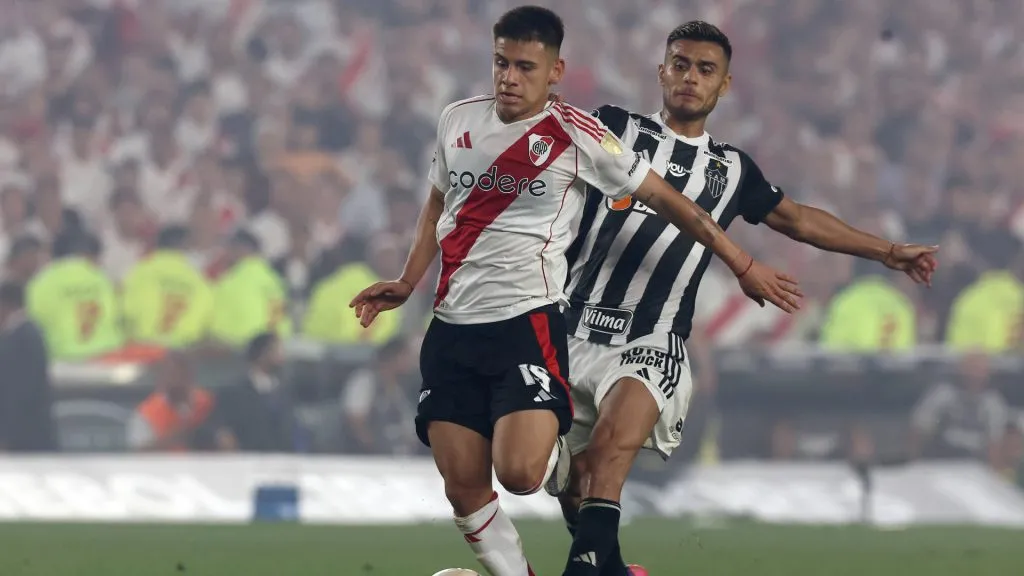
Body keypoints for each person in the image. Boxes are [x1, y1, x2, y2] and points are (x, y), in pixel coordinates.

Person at [350, 8, 801, 576]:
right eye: (501, 63)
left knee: (520, 474)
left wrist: (741, 261)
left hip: (526, 322)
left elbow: (669, 201)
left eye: (524, 67)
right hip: (450, 330)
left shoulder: (579, 133)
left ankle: (582, 500)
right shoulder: (456, 119)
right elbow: (440, 201)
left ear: (555, 71)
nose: (509, 77)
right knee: (463, 490)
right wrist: (408, 279)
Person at [552, 21, 939, 576]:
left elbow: (798, 219)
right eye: (681, 65)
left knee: (612, 447)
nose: (691, 78)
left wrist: (888, 251)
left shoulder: (731, 170)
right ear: (661, 72)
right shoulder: (615, 128)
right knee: (571, 480)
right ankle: (609, 566)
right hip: (571, 331)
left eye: (705, 69)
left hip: (650, 339)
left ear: (724, 85)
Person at [26, 230, 124, 360]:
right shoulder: (102, 278)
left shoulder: (41, 282)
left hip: (62, 360)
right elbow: (118, 315)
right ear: (88, 254)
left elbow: (34, 322)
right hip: (107, 357)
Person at [122, 225, 213, 349]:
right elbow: (205, 319)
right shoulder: (198, 279)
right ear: (185, 246)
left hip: (143, 349)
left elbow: (126, 311)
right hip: (181, 353)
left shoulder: (139, 271)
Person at [0, 282, 56, 452]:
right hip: (26, 432)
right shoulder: (24, 334)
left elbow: (19, 392)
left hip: (26, 437)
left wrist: (6, 436)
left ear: (6, 305)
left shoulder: (24, 338)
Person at [127, 350, 215, 452]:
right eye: (172, 374)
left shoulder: (207, 403)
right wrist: (174, 438)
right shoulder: (146, 413)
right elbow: (140, 451)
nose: (177, 380)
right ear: (161, 377)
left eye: (182, 374)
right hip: (165, 461)